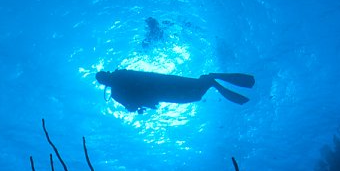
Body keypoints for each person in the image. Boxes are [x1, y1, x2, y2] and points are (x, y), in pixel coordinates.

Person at [96, 68, 255, 111]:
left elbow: (132, 106)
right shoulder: (116, 91)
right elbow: (132, 106)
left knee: (196, 92)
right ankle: (211, 80)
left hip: (163, 86)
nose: (109, 76)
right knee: (196, 95)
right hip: (163, 88)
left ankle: (211, 79)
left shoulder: (118, 86)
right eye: (106, 76)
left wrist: (140, 106)